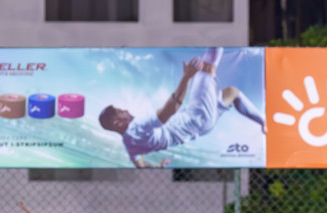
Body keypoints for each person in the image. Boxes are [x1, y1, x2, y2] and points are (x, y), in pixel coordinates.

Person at [98, 49, 265, 169]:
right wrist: (186, 77)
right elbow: (170, 109)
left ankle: (264, 122)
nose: (127, 110)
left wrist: (157, 166)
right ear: (117, 122)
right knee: (206, 68)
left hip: (203, 127)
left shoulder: (129, 144)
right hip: (196, 117)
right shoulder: (137, 126)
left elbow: (140, 165)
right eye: (122, 111)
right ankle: (220, 32)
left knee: (232, 93)